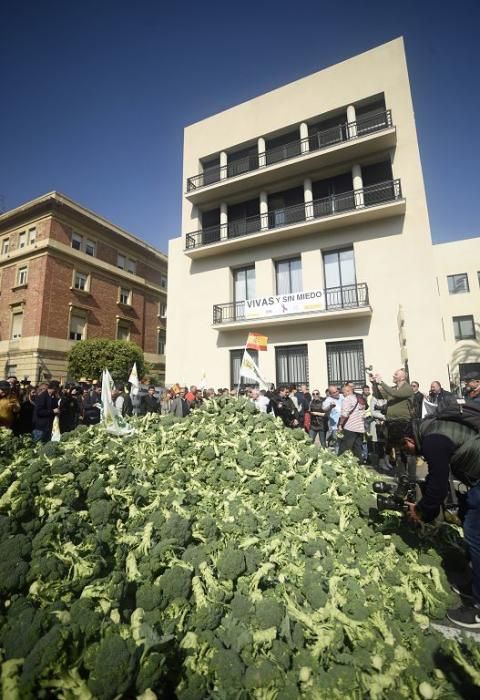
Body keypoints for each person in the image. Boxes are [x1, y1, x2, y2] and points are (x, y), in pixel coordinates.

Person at [402, 415, 480, 629]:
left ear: (409, 439)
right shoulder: (432, 428)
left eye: (405, 448)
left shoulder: (431, 440)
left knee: (475, 535)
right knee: (470, 522)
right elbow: (439, 474)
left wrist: (421, 511)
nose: (407, 452)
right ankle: (474, 583)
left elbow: (439, 486)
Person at [370, 368, 416, 479]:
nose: (393, 375)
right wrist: (374, 383)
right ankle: (401, 475)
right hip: (392, 423)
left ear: (403, 377)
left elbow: (394, 394)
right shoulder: (393, 388)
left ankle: (412, 477)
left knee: (408, 452)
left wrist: (381, 381)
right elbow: (379, 395)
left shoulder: (408, 388)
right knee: (398, 451)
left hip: (404, 423)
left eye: (396, 374)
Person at [337, 383, 365, 461]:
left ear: (348, 391)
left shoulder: (347, 399)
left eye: (343, 392)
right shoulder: (359, 399)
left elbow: (344, 414)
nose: (343, 394)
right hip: (360, 427)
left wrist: (340, 424)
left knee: (344, 447)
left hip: (350, 427)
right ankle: (359, 464)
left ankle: (340, 462)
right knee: (357, 448)